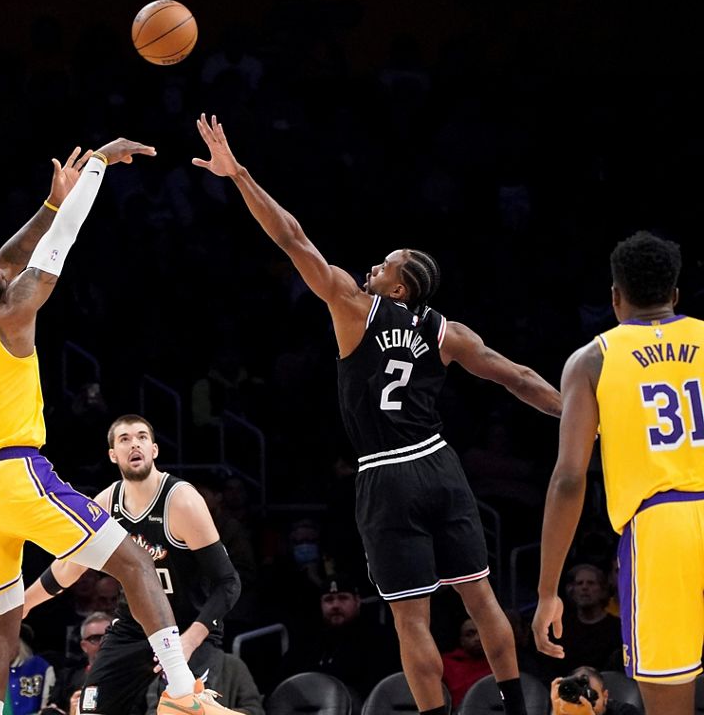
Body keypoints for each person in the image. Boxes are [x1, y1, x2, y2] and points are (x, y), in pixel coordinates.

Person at [192, 112, 562, 715]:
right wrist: (577, 418)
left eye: (385, 265)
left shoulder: (354, 307)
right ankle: (515, 707)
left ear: (398, 289)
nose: (373, 267)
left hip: (387, 474)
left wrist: (239, 175)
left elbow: (292, 238)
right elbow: (518, 378)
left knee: (410, 618)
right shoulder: (450, 333)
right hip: (440, 465)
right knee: (481, 596)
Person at [0, 139, 242, 715]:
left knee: (2, 623)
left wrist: (49, 202)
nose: (2, 272)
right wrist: (96, 168)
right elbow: (54, 250)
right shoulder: (11, 317)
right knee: (135, 563)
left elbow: (2, 260)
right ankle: (180, 690)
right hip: (14, 473)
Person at [533, 232, 704, 715]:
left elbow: (569, 479)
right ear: (675, 295)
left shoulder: (593, 359)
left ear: (614, 297)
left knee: (671, 702)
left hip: (661, 531)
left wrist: (548, 591)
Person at [23, 415, 242, 715]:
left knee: (176, 710)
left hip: (188, 626)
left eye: (141, 437)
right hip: (133, 628)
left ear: (154, 449)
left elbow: (228, 583)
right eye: (124, 439)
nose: (134, 443)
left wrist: (190, 639)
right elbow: (66, 568)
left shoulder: (182, 501)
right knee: (91, 708)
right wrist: (22, 605)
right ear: (113, 454)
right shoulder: (104, 504)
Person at [45, 612, 113, 715]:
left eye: (108, 636)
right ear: (84, 646)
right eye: (96, 638)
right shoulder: (67, 679)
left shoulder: (134, 676)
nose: (103, 643)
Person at [549, 667, 642, 715]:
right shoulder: (565, 710)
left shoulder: (626, 712)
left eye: (591, 696)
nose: (586, 704)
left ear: (605, 696)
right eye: (580, 699)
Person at [441, 619, 492, 707]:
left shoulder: (499, 663)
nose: (477, 638)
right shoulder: (446, 664)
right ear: (462, 641)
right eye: (470, 634)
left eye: (482, 632)